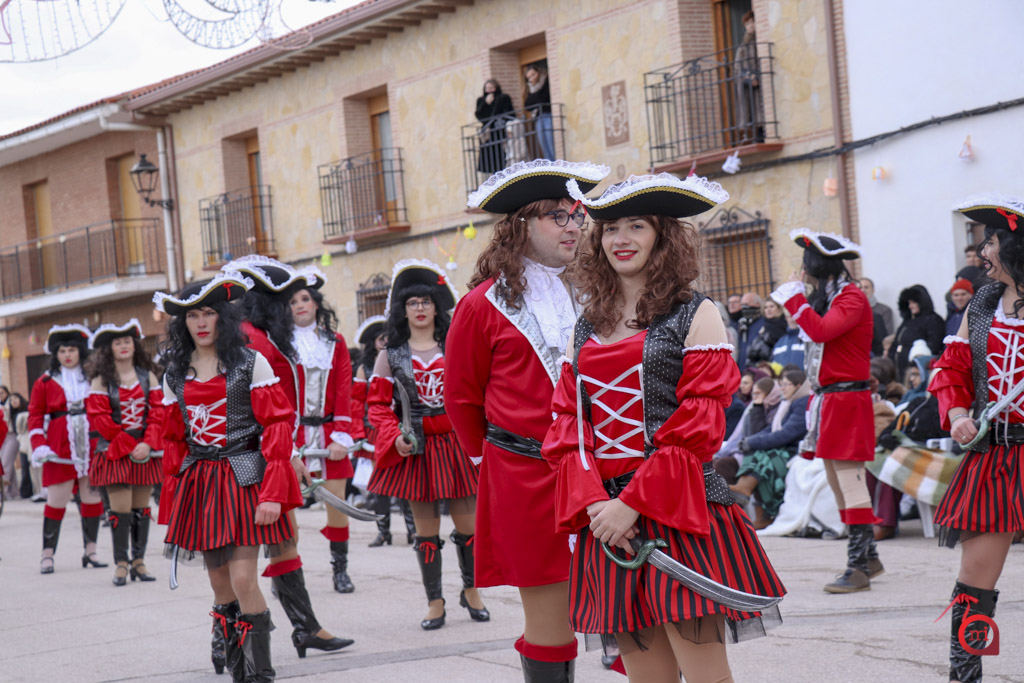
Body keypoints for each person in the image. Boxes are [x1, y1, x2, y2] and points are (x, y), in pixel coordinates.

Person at [543, 173, 784, 681]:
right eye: (610, 228)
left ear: (662, 237)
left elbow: (699, 425)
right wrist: (595, 505)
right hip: (607, 520)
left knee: (705, 676)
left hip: (678, 511)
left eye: (637, 226)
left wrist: (630, 504)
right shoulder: (585, 325)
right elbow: (569, 424)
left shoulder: (696, 313)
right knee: (647, 678)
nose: (621, 238)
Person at [446, 158, 610, 681]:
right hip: (525, 476)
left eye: (577, 215)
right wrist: (491, 464)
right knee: (549, 621)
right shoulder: (480, 305)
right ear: (521, 224)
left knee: (630, 604)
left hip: (606, 471)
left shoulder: (600, 294)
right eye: (557, 216)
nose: (573, 226)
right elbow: (461, 398)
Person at [155, 273, 307, 680]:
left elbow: (276, 426)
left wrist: (272, 493)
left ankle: (259, 673)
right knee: (221, 586)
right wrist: (176, 496)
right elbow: (174, 441)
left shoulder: (250, 362)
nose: (201, 322)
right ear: (183, 323)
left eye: (208, 313)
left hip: (244, 479)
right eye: (192, 316)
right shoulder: (173, 374)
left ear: (222, 317)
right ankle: (233, 657)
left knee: (242, 579)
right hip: (202, 485)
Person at [223, 255, 353, 661]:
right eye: (284, 299)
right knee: (245, 554)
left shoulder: (254, 335)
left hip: (256, 455)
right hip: (252, 459)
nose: (291, 306)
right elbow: (264, 408)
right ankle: (241, 637)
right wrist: (290, 452)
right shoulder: (256, 340)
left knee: (276, 541)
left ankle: (302, 628)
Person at [929, 196, 1024, 683]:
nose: (983, 252)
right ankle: (966, 677)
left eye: (991, 242)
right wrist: (958, 413)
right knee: (974, 586)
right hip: (997, 456)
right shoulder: (984, 302)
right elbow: (952, 368)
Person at [366, 259, 488, 630]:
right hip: (416, 450)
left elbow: (479, 390)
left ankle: (472, 591)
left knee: (469, 528)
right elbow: (377, 406)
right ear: (403, 310)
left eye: (426, 302)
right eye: (412, 303)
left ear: (436, 307)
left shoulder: (457, 344)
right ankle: (435, 602)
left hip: (457, 444)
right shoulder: (389, 355)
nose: (420, 308)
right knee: (426, 532)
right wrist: (394, 436)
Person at [770, 228, 883, 593]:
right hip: (831, 399)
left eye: (806, 263)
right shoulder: (834, 297)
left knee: (849, 481)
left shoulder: (850, 297)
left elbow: (820, 331)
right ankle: (869, 557)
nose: (802, 270)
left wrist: (795, 300)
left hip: (847, 399)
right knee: (836, 482)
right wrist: (800, 301)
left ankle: (858, 565)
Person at [288, 269, 360, 595]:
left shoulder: (336, 343)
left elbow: (344, 390)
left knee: (337, 506)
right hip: (292, 435)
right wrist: (284, 440)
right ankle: (286, 572)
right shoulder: (280, 344)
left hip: (330, 432)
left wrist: (341, 435)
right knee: (285, 509)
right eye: (293, 301)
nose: (300, 305)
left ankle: (340, 570)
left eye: (305, 299)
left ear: (316, 303)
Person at [85, 320, 164, 586]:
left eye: (127, 341)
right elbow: (100, 419)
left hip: (144, 449)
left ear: (134, 345)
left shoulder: (147, 376)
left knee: (142, 508)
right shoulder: (101, 380)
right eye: (117, 342)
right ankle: (121, 563)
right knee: (120, 509)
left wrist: (148, 443)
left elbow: (158, 413)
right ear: (109, 349)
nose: (123, 346)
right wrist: (129, 444)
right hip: (114, 449)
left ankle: (139, 562)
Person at [28, 324, 107, 574]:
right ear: (56, 354)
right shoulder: (44, 381)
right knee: (56, 501)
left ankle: (91, 552)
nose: (67, 355)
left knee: (92, 499)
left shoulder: (94, 377)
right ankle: (47, 555)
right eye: (62, 351)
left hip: (91, 445)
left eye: (72, 350)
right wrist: (39, 446)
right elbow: (35, 416)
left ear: (80, 351)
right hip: (59, 447)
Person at [731, 370, 811, 529]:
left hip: (794, 450)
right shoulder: (788, 402)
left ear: (798, 386)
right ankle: (759, 514)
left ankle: (746, 491)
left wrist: (753, 442)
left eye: (786, 384)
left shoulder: (802, 402)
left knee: (763, 457)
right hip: (783, 447)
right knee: (754, 452)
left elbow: (787, 433)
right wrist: (752, 441)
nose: (782, 388)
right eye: (781, 384)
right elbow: (769, 430)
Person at [888, 284, 946, 378]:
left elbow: (934, 345)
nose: (910, 306)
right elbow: (897, 341)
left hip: (918, 371)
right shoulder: (908, 320)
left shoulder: (933, 320)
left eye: (914, 302)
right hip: (900, 369)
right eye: (909, 303)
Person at [734, 10, 763, 144]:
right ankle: (756, 134)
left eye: (752, 22)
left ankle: (762, 133)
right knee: (753, 110)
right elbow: (738, 67)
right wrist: (749, 78)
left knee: (762, 109)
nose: (750, 26)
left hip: (761, 84)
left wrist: (759, 77)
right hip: (750, 85)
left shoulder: (761, 40)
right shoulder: (744, 46)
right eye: (747, 24)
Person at [475, 79, 514, 175]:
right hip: (488, 133)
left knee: (503, 157)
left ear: (496, 88)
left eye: (491, 88)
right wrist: (486, 103)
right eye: (487, 88)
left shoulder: (503, 98)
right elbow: (479, 115)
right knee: (491, 159)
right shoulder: (481, 100)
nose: (489, 90)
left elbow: (509, 113)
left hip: (500, 130)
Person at [523, 64, 554, 161]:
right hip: (538, 118)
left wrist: (535, 97)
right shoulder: (530, 88)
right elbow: (527, 105)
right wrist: (536, 96)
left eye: (533, 75)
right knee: (545, 148)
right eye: (529, 77)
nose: (532, 78)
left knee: (552, 145)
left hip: (548, 115)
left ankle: (557, 166)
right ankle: (551, 167)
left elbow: (544, 97)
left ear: (538, 73)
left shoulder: (546, 81)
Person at [745, 298, 786, 366]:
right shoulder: (761, 326)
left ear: (779, 309)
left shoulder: (787, 324)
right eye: (765, 307)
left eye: (771, 306)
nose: (768, 310)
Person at [735, 292, 764, 370]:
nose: (744, 307)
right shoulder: (742, 324)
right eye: (742, 304)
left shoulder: (764, 323)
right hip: (742, 368)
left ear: (757, 304)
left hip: (757, 367)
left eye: (746, 304)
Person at [0, 385, 17, 500]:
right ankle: (13, 492)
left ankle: (4, 492)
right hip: (3, 436)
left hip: (11, 435)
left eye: (2, 393)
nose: (0, 395)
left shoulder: (11, 403)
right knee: (9, 463)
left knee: (6, 463)